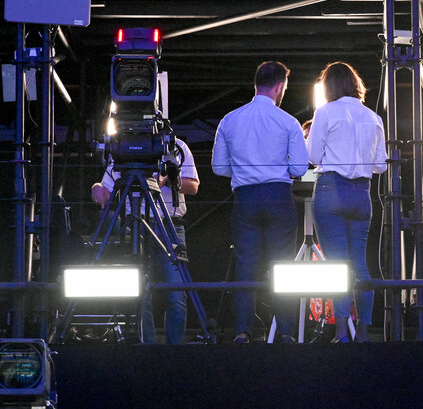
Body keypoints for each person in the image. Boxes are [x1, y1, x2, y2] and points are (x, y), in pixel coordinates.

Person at [211, 60, 308, 344]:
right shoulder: (288, 122)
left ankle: (242, 331)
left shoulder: (230, 120)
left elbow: (218, 168)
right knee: (283, 266)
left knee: (245, 265)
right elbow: (300, 168)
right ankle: (287, 332)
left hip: (245, 197)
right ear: (280, 86)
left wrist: (243, 172)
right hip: (278, 196)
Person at [306, 61, 387, 343]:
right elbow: (381, 166)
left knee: (338, 265)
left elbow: (314, 157)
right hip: (362, 193)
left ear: (328, 86)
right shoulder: (374, 117)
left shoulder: (325, 112)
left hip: (331, 189)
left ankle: (341, 331)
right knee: (360, 265)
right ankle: (363, 331)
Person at [91, 138, 199, 345]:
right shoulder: (123, 148)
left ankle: (175, 352)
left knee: (176, 293)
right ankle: (146, 349)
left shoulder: (175, 147)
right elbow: (105, 186)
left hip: (170, 225)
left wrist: (167, 178)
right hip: (135, 224)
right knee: (140, 292)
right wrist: (96, 188)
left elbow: (193, 186)